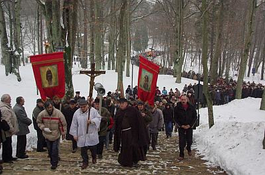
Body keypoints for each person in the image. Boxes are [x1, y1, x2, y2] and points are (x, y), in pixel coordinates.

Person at [114, 98, 149, 167]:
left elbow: (139, 121)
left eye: (123, 103)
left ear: (126, 103)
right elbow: (117, 123)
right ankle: (125, 161)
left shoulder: (132, 110)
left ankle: (134, 160)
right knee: (124, 147)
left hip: (132, 133)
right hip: (123, 133)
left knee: (133, 147)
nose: (121, 105)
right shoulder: (119, 112)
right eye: (120, 103)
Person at [69, 99, 101, 169]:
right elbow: (74, 124)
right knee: (83, 151)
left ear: (87, 105)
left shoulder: (93, 111)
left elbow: (98, 118)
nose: (83, 108)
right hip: (82, 134)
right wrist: (75, 134)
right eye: (81, 107)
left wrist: (92, 121)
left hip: (91, 133)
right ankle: (85, 162)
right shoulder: (77, 113)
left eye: (84, 106)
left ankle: (94, 157)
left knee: (93, 149)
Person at [37, 100, 67, 170]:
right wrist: (43, 128)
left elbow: (63, 124)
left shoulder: (58, 113)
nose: (50, 109)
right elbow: (39, 122)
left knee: (54, 149)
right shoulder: (42, 114)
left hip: (56, 134)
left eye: (51, 107)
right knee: (50, 150)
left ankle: (54, 163)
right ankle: (53, 158)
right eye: (48, 107)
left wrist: (63, 133)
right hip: (47, 134)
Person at [174, 95, 197, 161]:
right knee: (181, 141)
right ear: (180, 100)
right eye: (182, 99)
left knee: (189, 140)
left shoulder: (191, 107)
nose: (183, 101)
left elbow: (194, 117)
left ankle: (188, 148)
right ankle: (181, 154)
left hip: (189, 126)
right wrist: (181, 125)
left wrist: (190, 125)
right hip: (181, 126)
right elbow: (175, 118)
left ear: (187, 100)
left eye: (184, 99)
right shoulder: (177, 108)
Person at [0, 94, 19, 163]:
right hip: (7, 130)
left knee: (9, 143)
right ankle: (7, 158)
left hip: (8, 130)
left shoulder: (7, 107)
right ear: (6, 100)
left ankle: (9, 156)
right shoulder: (4, 109)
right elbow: (7, 121)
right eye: (9, 99)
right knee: (7, 144)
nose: (11, 100)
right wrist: (11, 129)